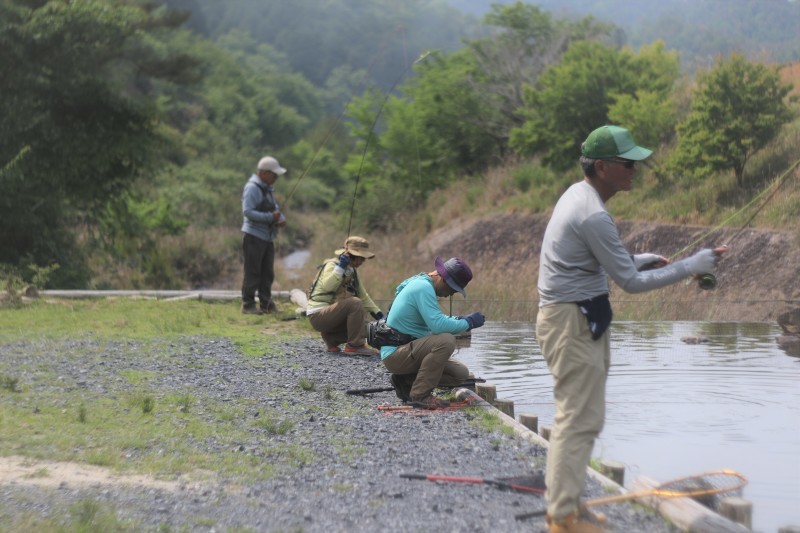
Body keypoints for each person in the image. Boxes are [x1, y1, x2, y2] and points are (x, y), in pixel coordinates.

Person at [535, 125, 729, 533]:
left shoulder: (579, 196)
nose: (635, 169)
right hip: (571, 320)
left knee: (586, 417)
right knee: (577, 418)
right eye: (628, 163)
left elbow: (604, 264)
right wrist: (691, 266)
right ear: (602, 167)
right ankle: (563, 516)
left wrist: (638, 258)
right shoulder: (593, 213)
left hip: (577, 317)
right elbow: (630, 284)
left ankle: (569, 503)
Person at [380, 257, 485, 409]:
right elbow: (437, 326)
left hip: (407, 350)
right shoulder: (423, 287)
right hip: (395, 353)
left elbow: (435, 319)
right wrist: (469, 323)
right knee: (446, 341)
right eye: (452, 289)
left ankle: (405, 381)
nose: (450, 295)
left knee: (460, 373)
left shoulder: (423, 283)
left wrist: (460, 319)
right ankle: (420, 395)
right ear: (443, 279)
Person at [306, 236, 383, 356]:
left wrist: (380, 316)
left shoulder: (352, 271)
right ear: (353, 256)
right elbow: (327, 286)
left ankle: (332, 338)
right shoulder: (332, 265)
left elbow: (364, 296)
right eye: (361, 258)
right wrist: (340, 267)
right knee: (355, 303)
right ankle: (355, 346)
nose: (363, 262)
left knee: (369, 328)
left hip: (332, 317)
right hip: (318, 316)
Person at [241, 156, 287, 315]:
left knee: (267, 273)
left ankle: (266, 304)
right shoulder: (252, 188)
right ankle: (248, 305)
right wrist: (270, 218)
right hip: (254, 236)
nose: (276, 178)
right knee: (253, 272)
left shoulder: (268, 189)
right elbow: (247, 212)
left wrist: (281, 219)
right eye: (274, 175)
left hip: (267, 237)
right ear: (264, 173)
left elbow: (275, 209)